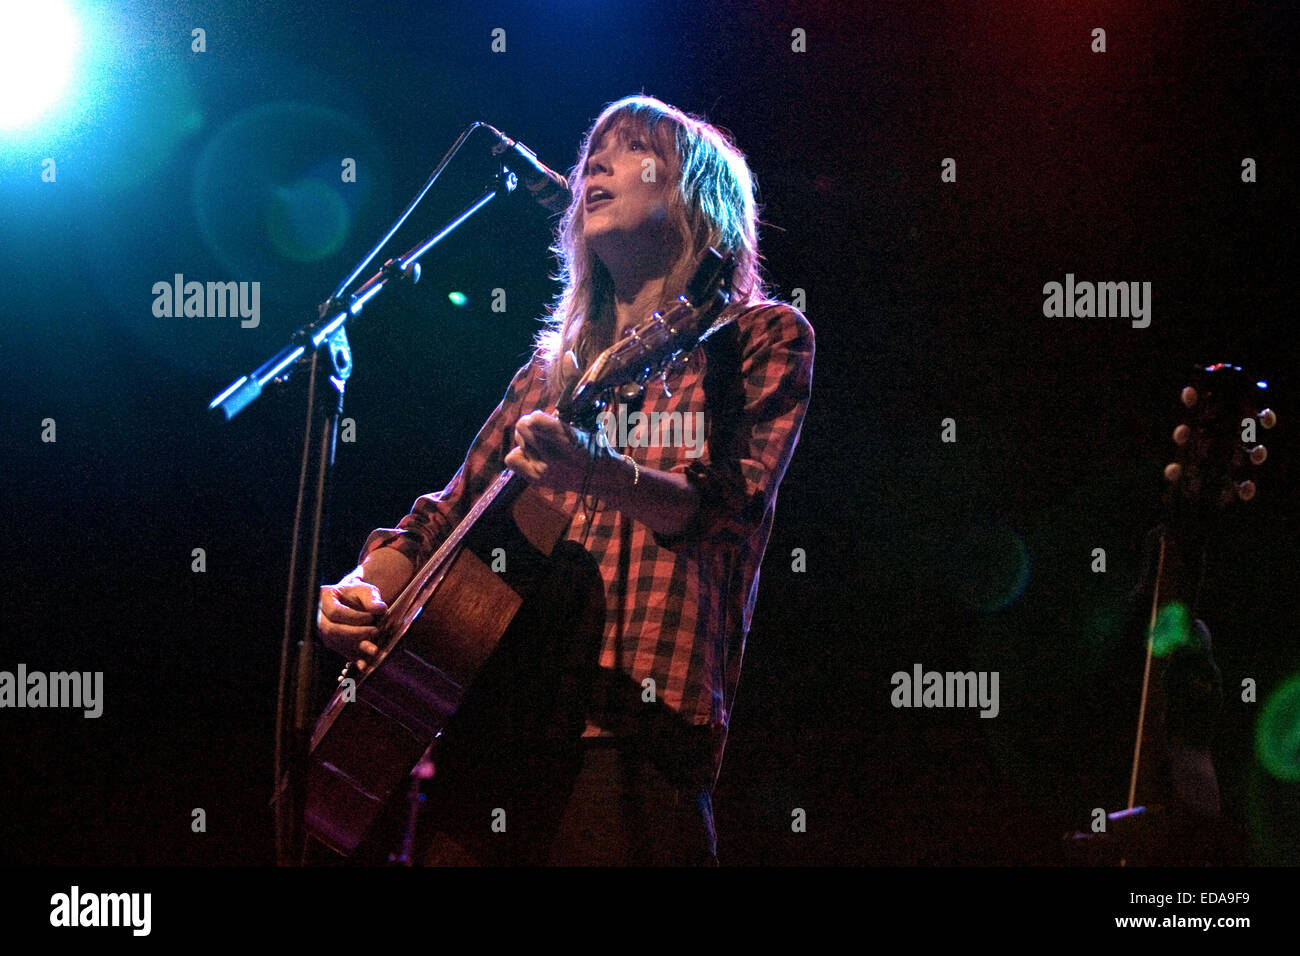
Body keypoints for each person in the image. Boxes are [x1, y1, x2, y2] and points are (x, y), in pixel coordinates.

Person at [317, 95, 814, 865]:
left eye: (630, 149)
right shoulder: (546, 376)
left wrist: (598, 471)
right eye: (592, 155)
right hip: (488, 723)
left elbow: (727, 508)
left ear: (697, 196)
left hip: (629, 731)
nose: (596, 166)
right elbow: (441, 523)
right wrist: (366, 589)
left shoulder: (757, 337)